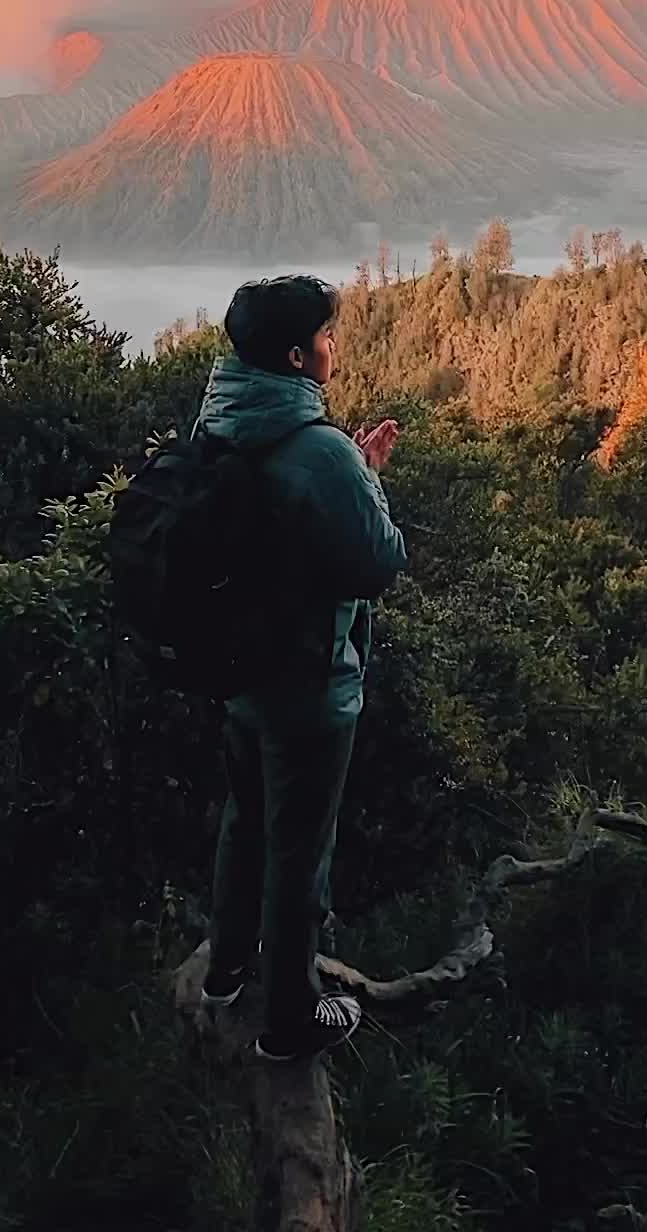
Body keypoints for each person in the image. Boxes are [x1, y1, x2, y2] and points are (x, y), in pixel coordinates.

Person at [196, 275, 406, 1060]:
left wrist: (349, 471)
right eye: (323, 337)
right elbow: (379, 561)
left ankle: (224, 973)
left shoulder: (220, 417)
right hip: (308, 683)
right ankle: (291, 1021)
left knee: (244, 821)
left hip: (238, 669)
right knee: (299, 857)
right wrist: (366, 480)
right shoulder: (317, 449)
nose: (332, 348)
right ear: (295, 355)